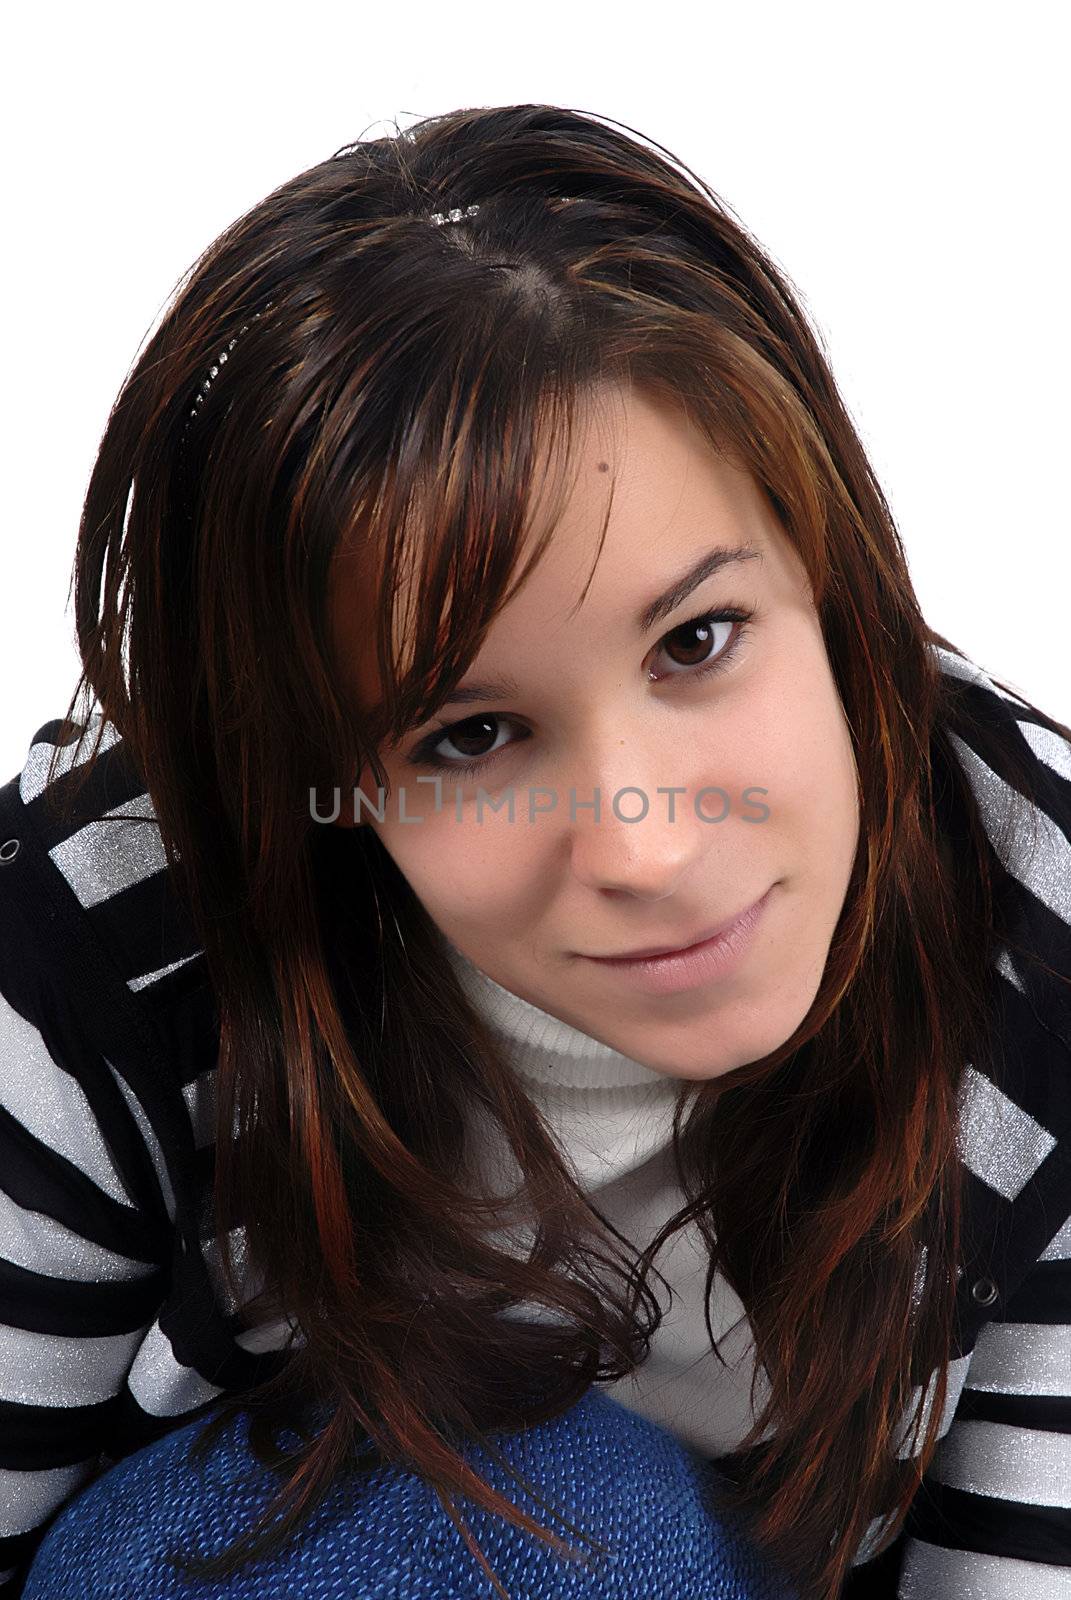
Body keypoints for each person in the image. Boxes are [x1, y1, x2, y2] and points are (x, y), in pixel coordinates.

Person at [1, 102, 1069, 1600]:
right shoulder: (97, 947)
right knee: (546, 1515)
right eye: (468, 736)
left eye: (699, 641)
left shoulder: (1039, 926)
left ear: (832, 577)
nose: (643, 841)